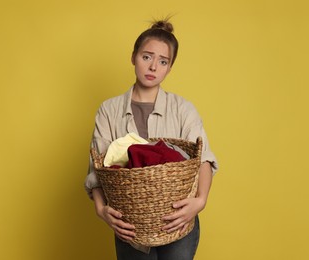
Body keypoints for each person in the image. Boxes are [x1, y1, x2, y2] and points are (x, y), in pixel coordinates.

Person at [85, 18, 218, 260]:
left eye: (163, 61)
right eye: (147, 57)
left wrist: (200, 201)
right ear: (133, 57)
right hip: (130, 225)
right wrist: (101, 210)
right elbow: (97, 168)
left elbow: (204, 158)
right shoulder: (108, 110)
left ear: (169, 68)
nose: (153, 66)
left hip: (178, 221)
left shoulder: (183, 109)